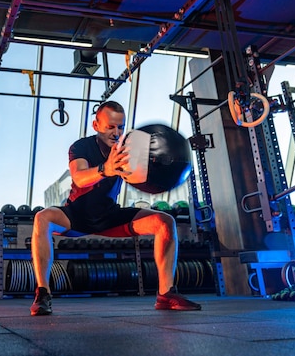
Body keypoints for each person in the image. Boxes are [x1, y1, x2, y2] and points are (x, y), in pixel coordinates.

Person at [30, 100, 201, 316]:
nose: (116, 132)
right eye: (110, 126)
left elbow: (146, 176)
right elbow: (80, 178)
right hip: (76, 215)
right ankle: (43, 293)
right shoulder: (81, 147)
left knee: (165, 222)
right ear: (96, 125)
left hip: (110, 216)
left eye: (120, 126)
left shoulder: (128, 149)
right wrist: (105, 169)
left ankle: (166, 294)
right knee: (42, 218)